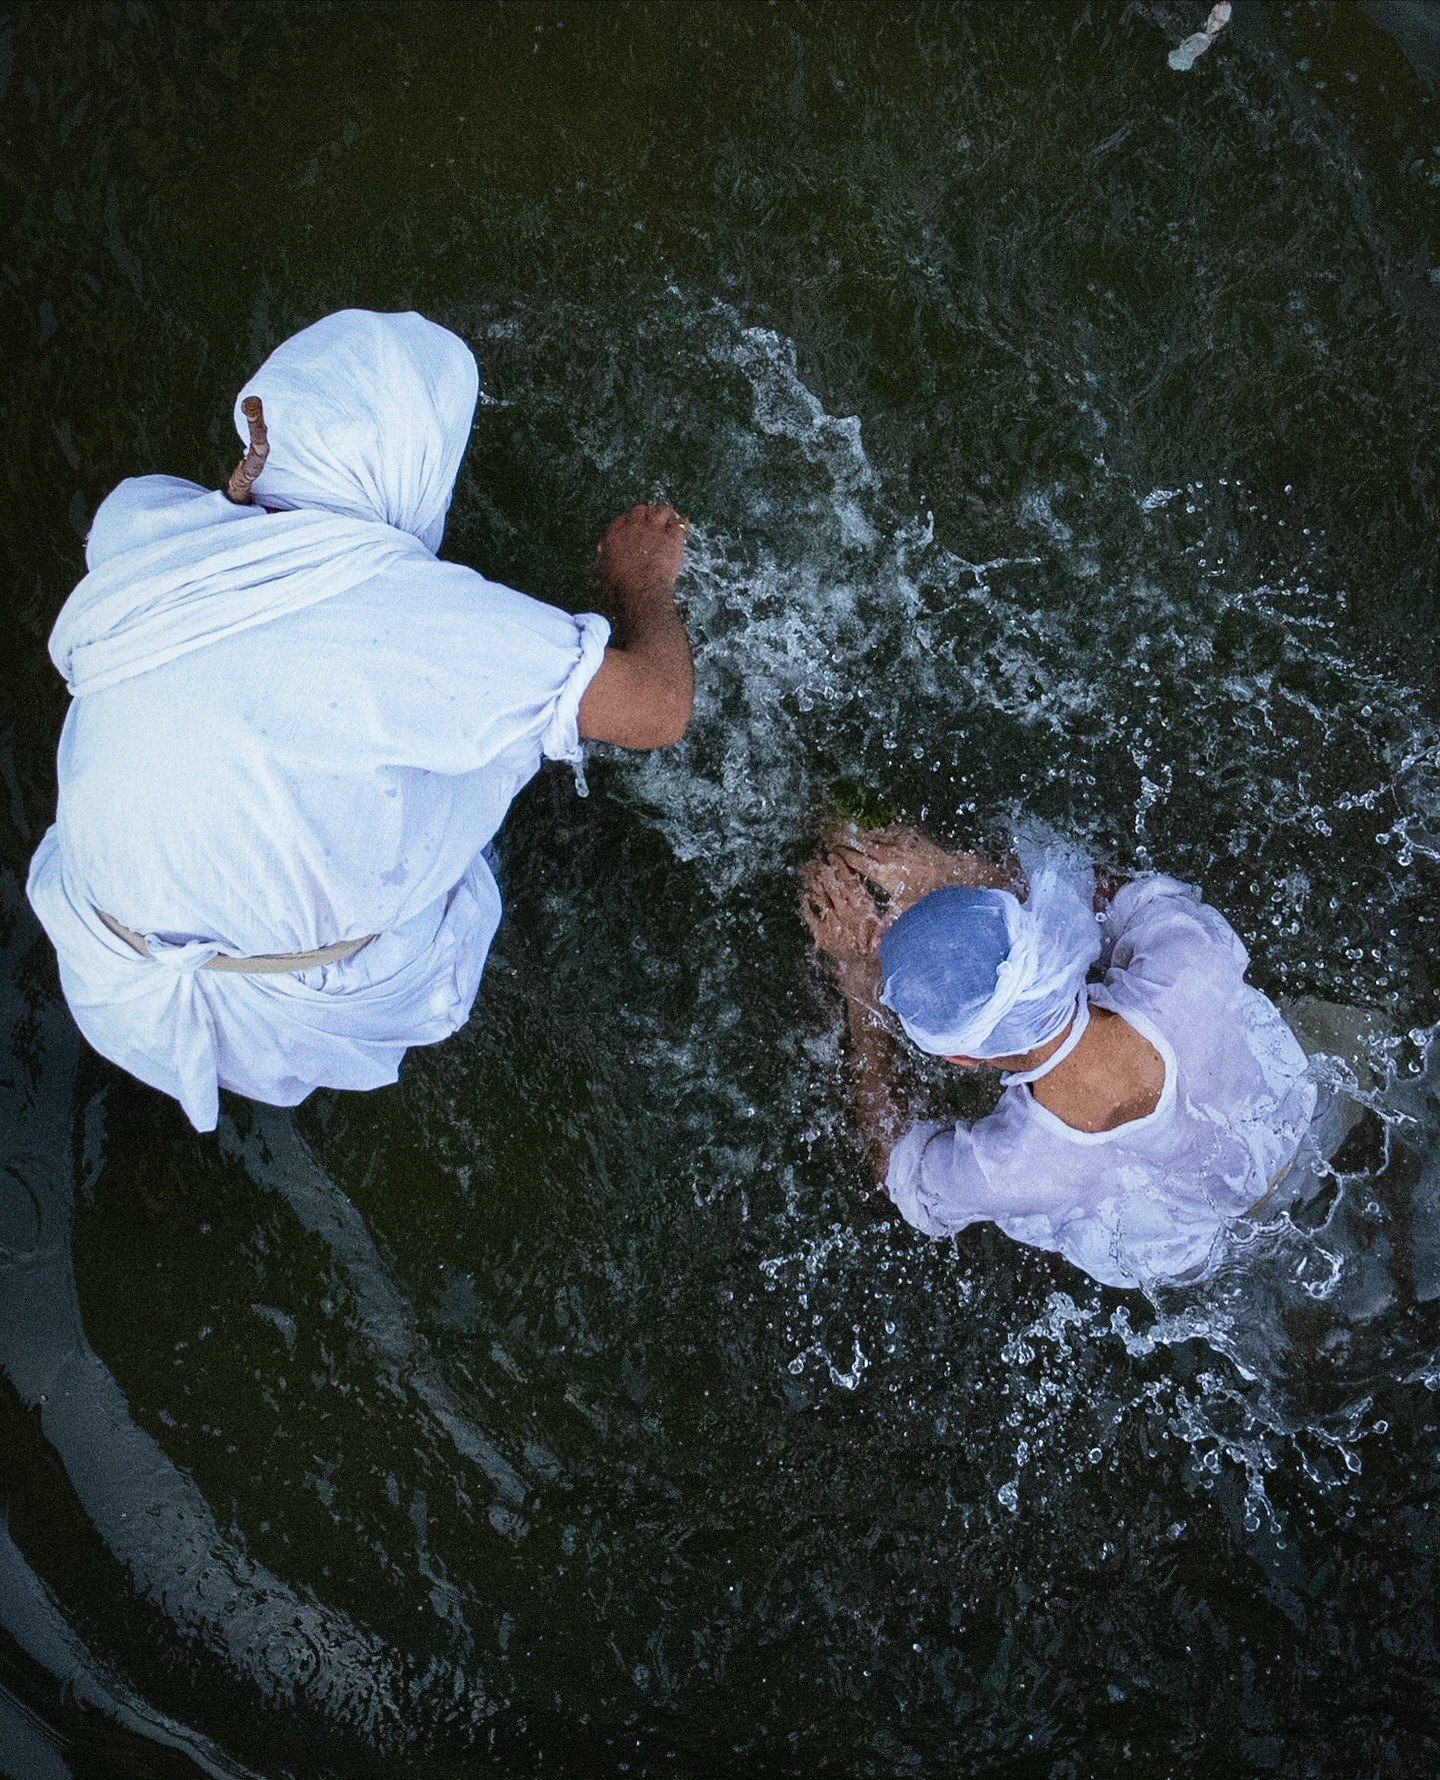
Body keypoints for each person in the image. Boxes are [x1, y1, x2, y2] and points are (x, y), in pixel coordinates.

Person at [28, 309, 693, 1132]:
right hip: (274, 1017)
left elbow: (172, 526)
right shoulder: (407, 613)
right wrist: (641, 582)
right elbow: (661, 708)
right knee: (483, 783)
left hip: (104, 968)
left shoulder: (141, 532)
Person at [800, 823, 1319, 1288]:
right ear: (1045, 940)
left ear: (961, 1058)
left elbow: (898, 1170)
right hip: (1304, 1126)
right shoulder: (1183, 965)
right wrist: (952, 871)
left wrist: (858, 983)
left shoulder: (1002, 1169)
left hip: (1187, 1262)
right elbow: (1120, 897)